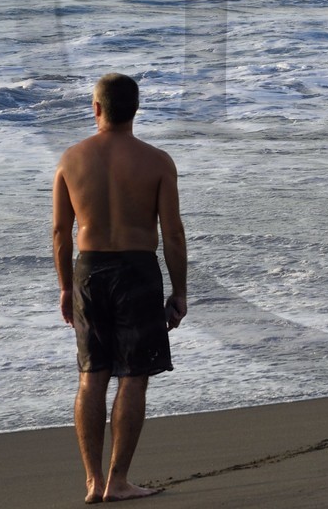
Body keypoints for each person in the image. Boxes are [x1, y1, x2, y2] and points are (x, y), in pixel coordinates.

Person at [52, 73, 188, 503]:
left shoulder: (71, 160)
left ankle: (93, 483)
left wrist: (64, 288)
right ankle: (118, 481)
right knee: (134, 378)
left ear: (96, 109)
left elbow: (59, 232)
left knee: (91, 376)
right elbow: (173, 234)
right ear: (135, 109)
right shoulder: (157, 161)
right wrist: (179, 292)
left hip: (88, 270)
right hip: (137, 270)